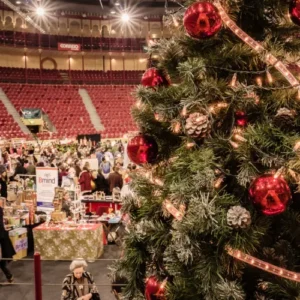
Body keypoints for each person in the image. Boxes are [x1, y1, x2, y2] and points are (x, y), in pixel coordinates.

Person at [0, 197, 15, 284]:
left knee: (1, 259)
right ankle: (9, 275)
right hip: (2, 236)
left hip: (1, 237)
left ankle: (9, 275)